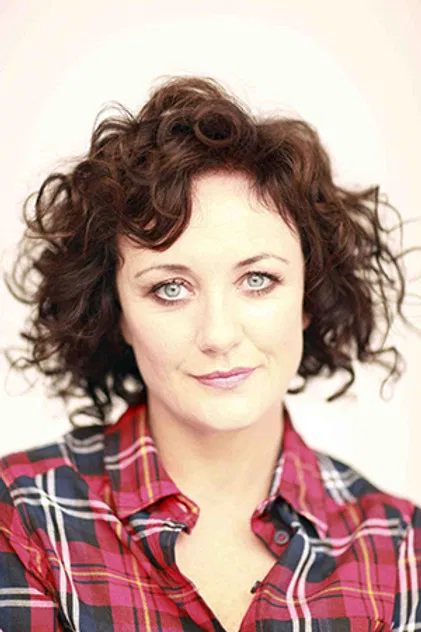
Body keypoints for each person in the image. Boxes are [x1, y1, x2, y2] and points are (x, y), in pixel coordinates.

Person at [0, 75, 420, 632]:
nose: (218, 335)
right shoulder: (22, 516)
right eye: (170, 288)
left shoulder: (403, 550)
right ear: (116, 311)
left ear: (309, 298)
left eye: (259, 279)